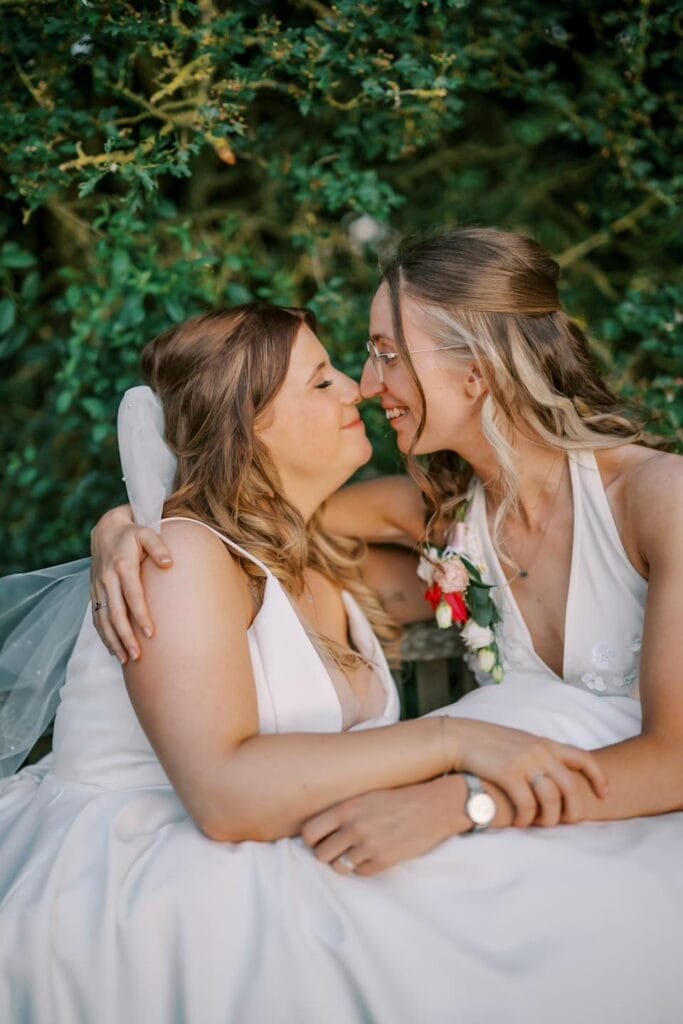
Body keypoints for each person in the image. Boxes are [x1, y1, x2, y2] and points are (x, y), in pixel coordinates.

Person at [84, 229, 683, 1022]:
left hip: (579, 816)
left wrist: (463, 803)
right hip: (527, 820)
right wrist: (125, 521)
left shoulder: (654, 500)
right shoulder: (439, 521)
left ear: (475, 371)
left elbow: (676, 759)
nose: (368, 385)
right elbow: (252, 516)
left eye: (384, 353)